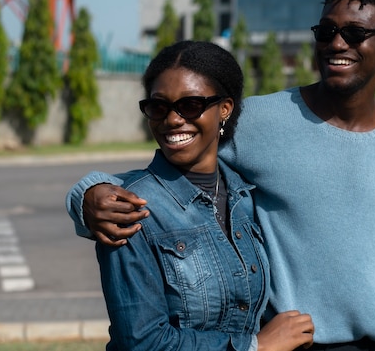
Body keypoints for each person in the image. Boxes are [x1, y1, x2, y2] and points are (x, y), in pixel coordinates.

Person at [67, 0, 375, 351]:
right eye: (326, 32)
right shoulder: (260, 121)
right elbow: (172, 163)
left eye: (355, 33)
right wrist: (88, 192)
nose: (337, 43)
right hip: (288, 343)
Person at [74, 40, 314, 351]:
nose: (172, 119)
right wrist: (256, 347)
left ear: (224, 109)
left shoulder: (246, 196)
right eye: (159, 106)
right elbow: (143, 343)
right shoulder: (130, 209)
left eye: (190, 105)